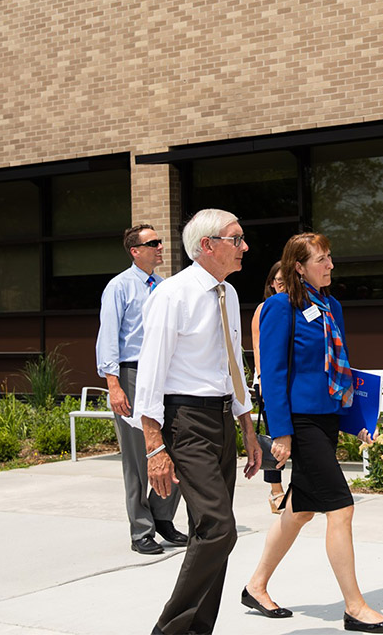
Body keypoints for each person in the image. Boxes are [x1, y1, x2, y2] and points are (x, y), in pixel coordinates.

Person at [242, 232, 383, 633]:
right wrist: (281, 432)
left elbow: (341, 372)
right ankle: (355, 607)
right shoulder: (280, 308)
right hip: (302, 422)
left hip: (328, 418)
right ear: (299, 266)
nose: (330, 265)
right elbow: (275, 375)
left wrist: (358, 422)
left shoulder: (332, 306)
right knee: (342, 507)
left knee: (300, 510)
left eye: (330, 257)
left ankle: (255, 585)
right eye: (322, 259)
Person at [133, 209, 263, 635]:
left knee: (212, 533)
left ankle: (197, 631)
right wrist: (155, 447)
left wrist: (247, 429)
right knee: (219, 528)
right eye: (237, 239)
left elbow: (234, 367)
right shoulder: (173, 295)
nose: (245, 247)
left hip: (222, 418)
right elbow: (150, 375)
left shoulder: (227, 293)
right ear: (207, 245)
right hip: (185, 421)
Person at [95, 224, 186, 555]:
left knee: (174, 446)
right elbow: (108, 337)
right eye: (153, 243)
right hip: (131, 374)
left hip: (164, 374)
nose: (160, 247)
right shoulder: (119, 287)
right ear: (135, 251)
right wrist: (114, 385)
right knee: (137, 457)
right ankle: (141, 530)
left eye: (160, 242)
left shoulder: (164, 288)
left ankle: (162, 518)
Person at [251, 261, 288, 514]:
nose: (282, 284)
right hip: (269, 381)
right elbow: (258, 346)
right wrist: (262, 379)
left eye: (287, 280)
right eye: (278, 280)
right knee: (274, 438)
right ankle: (276, 491)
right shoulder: (264, 308)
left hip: (293, 381)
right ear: (271, 283)